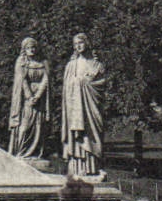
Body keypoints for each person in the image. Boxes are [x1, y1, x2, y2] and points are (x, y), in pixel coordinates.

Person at [61, 33, 107, 179]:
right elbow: (66, 88)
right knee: (77, 140)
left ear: (87, 43)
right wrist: (78, 82)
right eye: (75, 44)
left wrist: (84, 83)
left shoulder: (97, 65)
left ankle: (93, 168)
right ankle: (77, 169)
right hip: (75, 108)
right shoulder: (71, 65)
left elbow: (101, 84)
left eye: (80, 43)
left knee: (92, 136)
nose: (78, 46)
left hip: (91, 108)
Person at [7, 37, 50, 159]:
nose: (32, 50)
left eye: (33, 47)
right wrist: (30, 96)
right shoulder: (21, 62)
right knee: (24, 126)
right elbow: (22, 79)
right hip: (26, 100)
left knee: (38, 127)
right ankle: (20, 152)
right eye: (29, 48)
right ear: (24, 49)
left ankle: (35, 153)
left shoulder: (43, 62)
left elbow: (46, 79)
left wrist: (38, 95)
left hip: (39, 99)